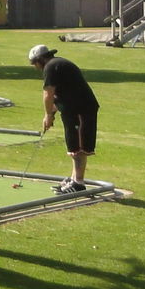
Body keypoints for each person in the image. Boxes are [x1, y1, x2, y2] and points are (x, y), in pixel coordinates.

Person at [29, 44, 100, 193]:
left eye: (35, 63)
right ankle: (74, 179)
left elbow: (48, 94)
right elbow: (62, 95)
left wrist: (48, 115)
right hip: (75, 109)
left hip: (80, 109)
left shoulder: (51, 67)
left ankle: (78, 183)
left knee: (78, 147)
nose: (35, 67)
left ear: (40, 59)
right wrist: (51, 113)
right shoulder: (57, 64)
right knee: (73, 145)